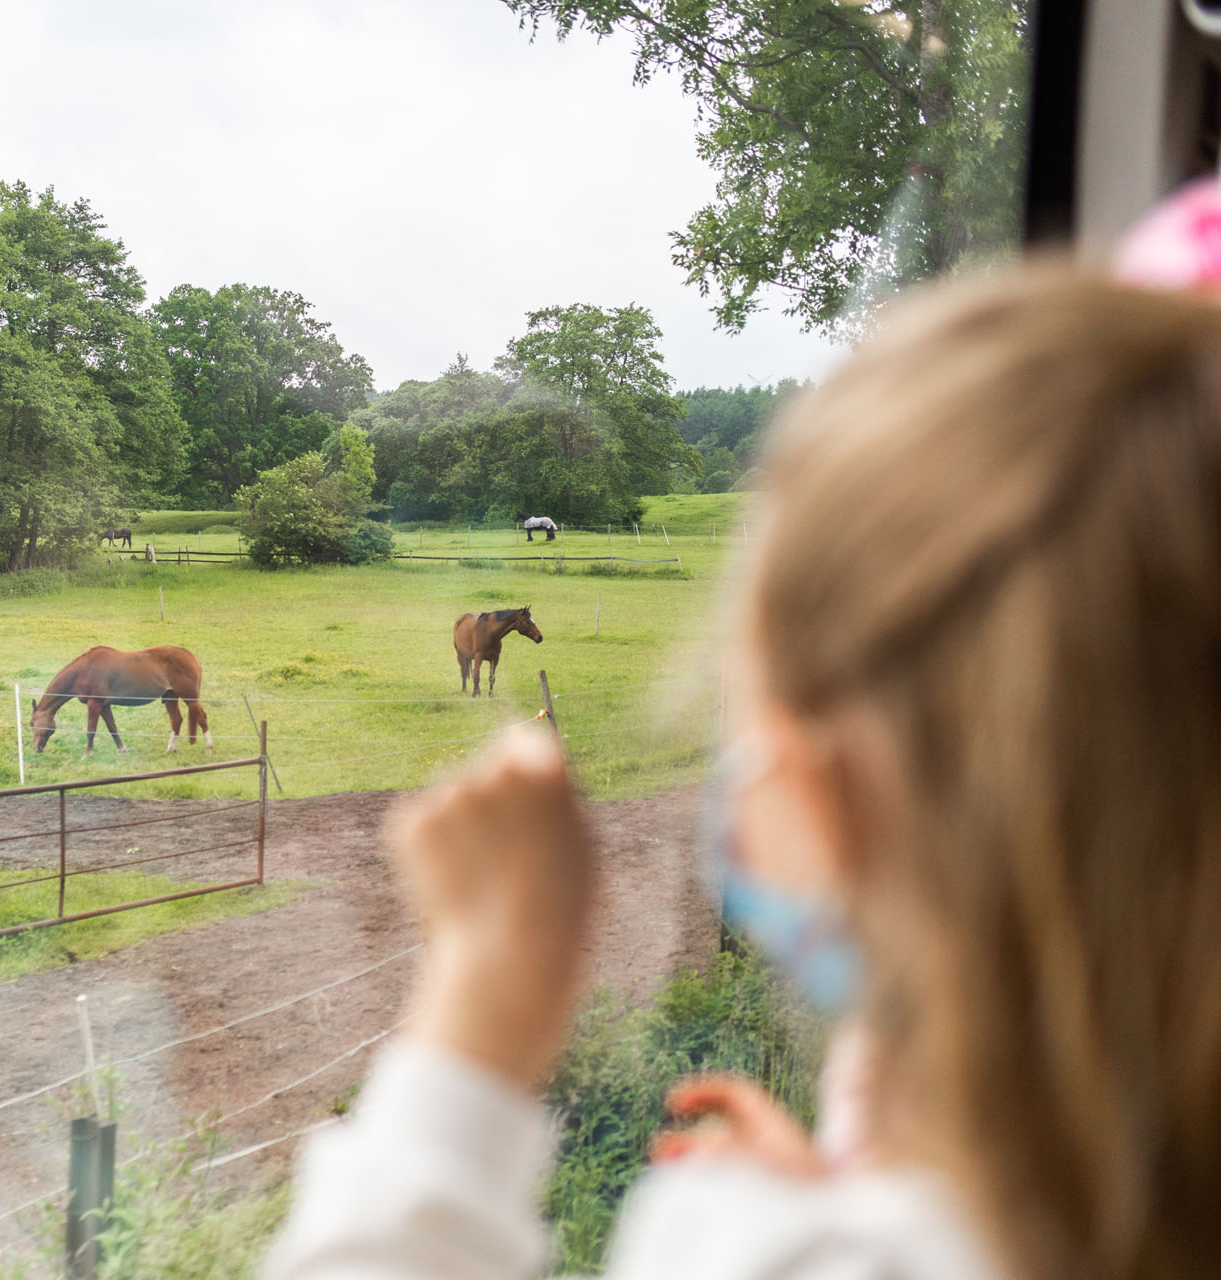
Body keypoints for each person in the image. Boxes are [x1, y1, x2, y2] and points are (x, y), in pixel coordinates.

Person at [263, 271, 1221, 1280]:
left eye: (747, 736)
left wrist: (479, 1009)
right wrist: (850, 1214)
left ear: (816, 804)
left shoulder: (725, 1241)